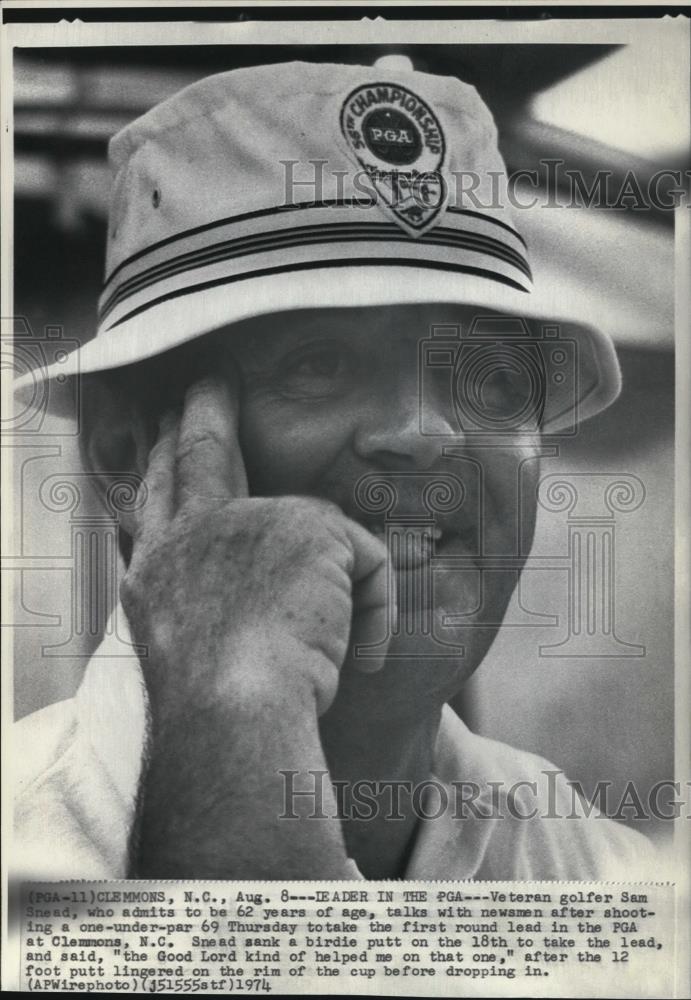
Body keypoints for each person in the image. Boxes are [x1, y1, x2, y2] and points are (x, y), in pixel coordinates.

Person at [14, 56, 655, 881]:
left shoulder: (596, 868)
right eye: (319, 365)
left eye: (488, 378)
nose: (426, 435)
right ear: (124, 456)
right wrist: (230, 725)